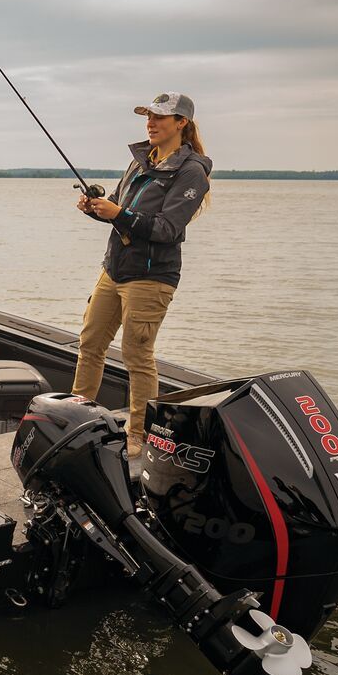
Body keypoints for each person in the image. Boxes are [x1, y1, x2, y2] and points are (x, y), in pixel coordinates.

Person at [73, 91, 213, 459]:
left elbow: (167, 229)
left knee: (137, 354)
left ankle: (139, 435)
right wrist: (94, 209)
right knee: (90, 343)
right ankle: (73, 416)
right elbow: (119, 208)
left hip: (152, 277)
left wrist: (117, 212)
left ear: (181, 123)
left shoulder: (192, 171)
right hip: (115, 268)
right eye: (147, 117)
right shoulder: (139, 161)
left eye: (159, 118)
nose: (150, 123)